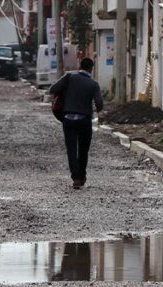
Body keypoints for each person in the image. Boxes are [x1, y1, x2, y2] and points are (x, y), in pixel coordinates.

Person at [49, 58, 104, 189]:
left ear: (80, 66)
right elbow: (99, 105)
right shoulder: (93, 84)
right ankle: (82, 174)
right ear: (91, 68)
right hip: (84, 120)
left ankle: (76, 178)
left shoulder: (69, 77)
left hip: (68, 119)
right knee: (84, 150)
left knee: (72, 149)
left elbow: (53, 89)